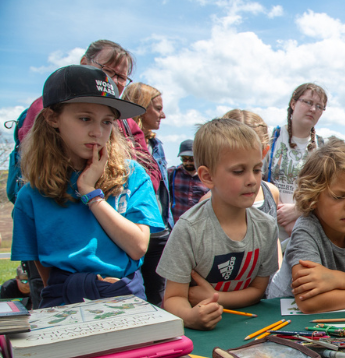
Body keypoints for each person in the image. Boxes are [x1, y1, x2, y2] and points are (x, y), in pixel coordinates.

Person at [10, 39, 153, 309]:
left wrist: (91, 193)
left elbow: (137, 247)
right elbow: (44, 272)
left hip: (126, 294)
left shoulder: (132, 177)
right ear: (53, 118)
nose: (97, 131)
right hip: (63, 301)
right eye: (85, 118)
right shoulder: (32, 195)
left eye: (107, 121)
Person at [157, 118, 280, 330]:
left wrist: (216, 297)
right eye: (238, 171)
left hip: (251, 327)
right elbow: (173, 297)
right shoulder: (189, 228)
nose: (252, 179)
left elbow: (259, 290)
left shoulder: (267, 227)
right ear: (207, 176)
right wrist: (190, 316)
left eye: (257, 169)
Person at [267, 139, 345, 313]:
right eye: (339, 197)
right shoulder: (306, 230)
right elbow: (308, 303)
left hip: (334, 308)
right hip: (282, 313)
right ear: (313, 197)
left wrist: (334, 278)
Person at [121, 82, 173, 307]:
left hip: (159, 231)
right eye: (158, 108)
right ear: (140, 107)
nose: (163, 114)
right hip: (131, 231)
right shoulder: (121, 144)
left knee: (158, 297)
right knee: (131, 299)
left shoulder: (156, 144)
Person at [266, 83, 327, 239]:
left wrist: (298, 210)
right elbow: (256, 178)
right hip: (268, 226)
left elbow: (327, 188)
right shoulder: (271, 138)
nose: (313, 109)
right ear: (293, 103)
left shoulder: (323, 147)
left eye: (319, 106)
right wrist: (283, 215)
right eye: (308, 102)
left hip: (304, 230)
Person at [222, 109, 280, 219]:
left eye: (256, 170)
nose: (250, 180)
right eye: (238, 171)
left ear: (264, 152)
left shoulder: (271, 193)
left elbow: (273, 234)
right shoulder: (208, 202)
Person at [168, 139, 209, 221]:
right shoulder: (172, 173)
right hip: (177, 225)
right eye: (184, 159)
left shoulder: (208, 176)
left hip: (201, 223)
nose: (187, 163)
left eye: (191, 159)